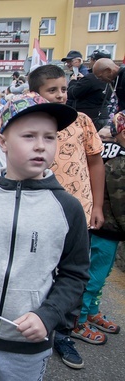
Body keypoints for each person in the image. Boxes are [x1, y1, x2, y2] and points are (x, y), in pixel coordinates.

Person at [0, 93, 89, 381]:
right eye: (28, 136)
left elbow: (74, 275)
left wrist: (47, 316)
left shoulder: (68, 208)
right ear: (2, 143)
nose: (40, 146)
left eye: (49, 137)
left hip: (27, 348)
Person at [29, 64, 105, 369]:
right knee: (40, 270)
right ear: (36, 94)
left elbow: (95, 163)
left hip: (79, 213)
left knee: (72, 273)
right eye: (52, 90)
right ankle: (37, 323)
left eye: (63, 89)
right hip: (40, 214)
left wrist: (97, 206)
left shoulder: (82, 122)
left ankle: (63, 332)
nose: (60, 95)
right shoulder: (30, 123)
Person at [76, 111, 125, 348]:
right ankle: (79, 320)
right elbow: (119, 202)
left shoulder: (109, 153)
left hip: (107, 228)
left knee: (100, 275)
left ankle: (92, 311)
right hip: (107, 229)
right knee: (94, 276)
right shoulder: (119, 161)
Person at [67, 50, 113, 129]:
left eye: (91, 59)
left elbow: (72, 94)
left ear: (95, 61)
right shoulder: (111, 76)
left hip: (90, 117)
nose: (90, 62)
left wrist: (73, 81)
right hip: (103, 115)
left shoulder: (92, 77)